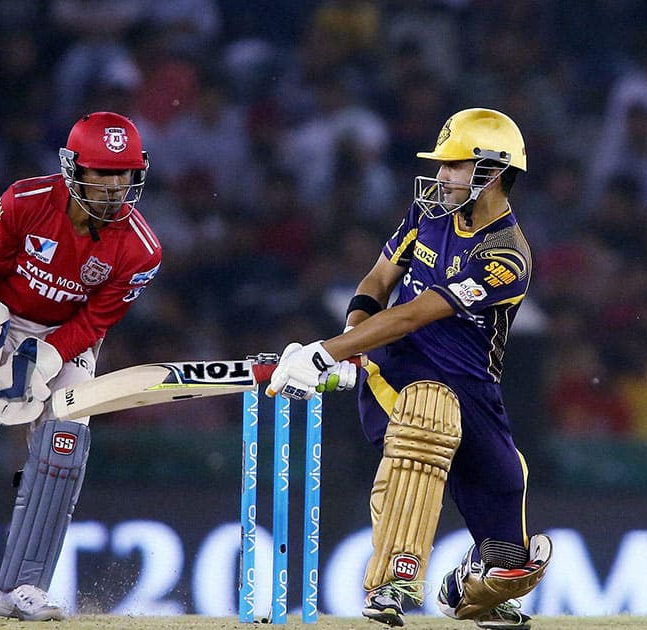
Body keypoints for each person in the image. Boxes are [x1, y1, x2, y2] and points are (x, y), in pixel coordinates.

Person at [266, 108, 551, 629]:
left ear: (491, 172)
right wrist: (350, 344)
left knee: (510, 541)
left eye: (454, 165)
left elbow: (419, 311)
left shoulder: (507, 255)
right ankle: (392, 581)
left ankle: (470, 584)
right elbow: (377, 280)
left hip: (473, 387)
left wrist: (328, 350)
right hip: (399, 370)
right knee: (426, 418)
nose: (441, 176)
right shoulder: (429, 216)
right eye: (441, 165)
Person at [0, 111, 160, 620]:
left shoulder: (142, 250)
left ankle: (25, 586)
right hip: (0, 317)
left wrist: (51, 354)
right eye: (102, 172)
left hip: (70, 335)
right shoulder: (24, 200)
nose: (115, 186)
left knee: (64, 444)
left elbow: (99, 316)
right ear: (74, 168)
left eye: (123, 173)